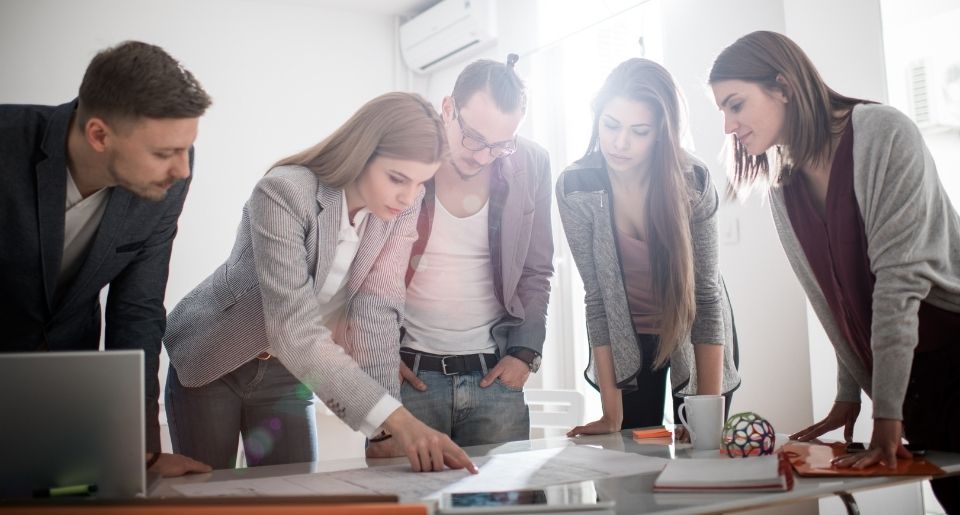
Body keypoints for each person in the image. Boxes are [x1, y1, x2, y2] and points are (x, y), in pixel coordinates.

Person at [710, 30, 960, 511]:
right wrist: (850, 396)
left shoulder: (883, 132)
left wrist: (885, 417)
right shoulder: (783, 184)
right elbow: (836, 301)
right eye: (722, 110)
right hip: (915, 380)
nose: (728, 126)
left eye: (736, 105)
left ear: (782, 86)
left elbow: (898, 285)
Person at [163, 92, 477, 474]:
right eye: (397, 178)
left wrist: (384, 432)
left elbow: (376, 310)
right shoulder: (284, 191)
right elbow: (292, 328)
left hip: (288, 371)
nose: (408, 196)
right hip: (215, 359)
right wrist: (400, 421)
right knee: (208, 499)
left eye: (419, 183)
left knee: (295, 499)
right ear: (362, 152)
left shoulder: (401, 208)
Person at [0, 41, 213, 477]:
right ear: (99, 134)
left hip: (66, 394)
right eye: (163, 153)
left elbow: (137, 311)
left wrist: (140, 451)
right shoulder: (7, 142)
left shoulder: (169, 177)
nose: (182, 170)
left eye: (185, 148)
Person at [557, 58, 740, 438]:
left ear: (662, 132)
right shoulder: (577, 187)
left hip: (695, 330)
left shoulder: (694, 180)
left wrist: (707, 418)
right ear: (597, 117)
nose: (619, 143)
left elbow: (706, 299)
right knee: (635, 462)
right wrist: (610, 414)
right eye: (610, 126)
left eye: (639, 131)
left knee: (700, 456)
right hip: (629, 336)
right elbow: (597, 301)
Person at [384, 54, 554, 448]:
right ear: (448, 109)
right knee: (407, 506)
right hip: (407, 376)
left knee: (505, 506)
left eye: (499, 146)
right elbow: (368, 267)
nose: (482, 157)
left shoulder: (532, 164)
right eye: (474, 139)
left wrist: (525, 353)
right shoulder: (407, 159)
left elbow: (536, 269)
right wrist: (377, 356)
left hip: (494, 378)